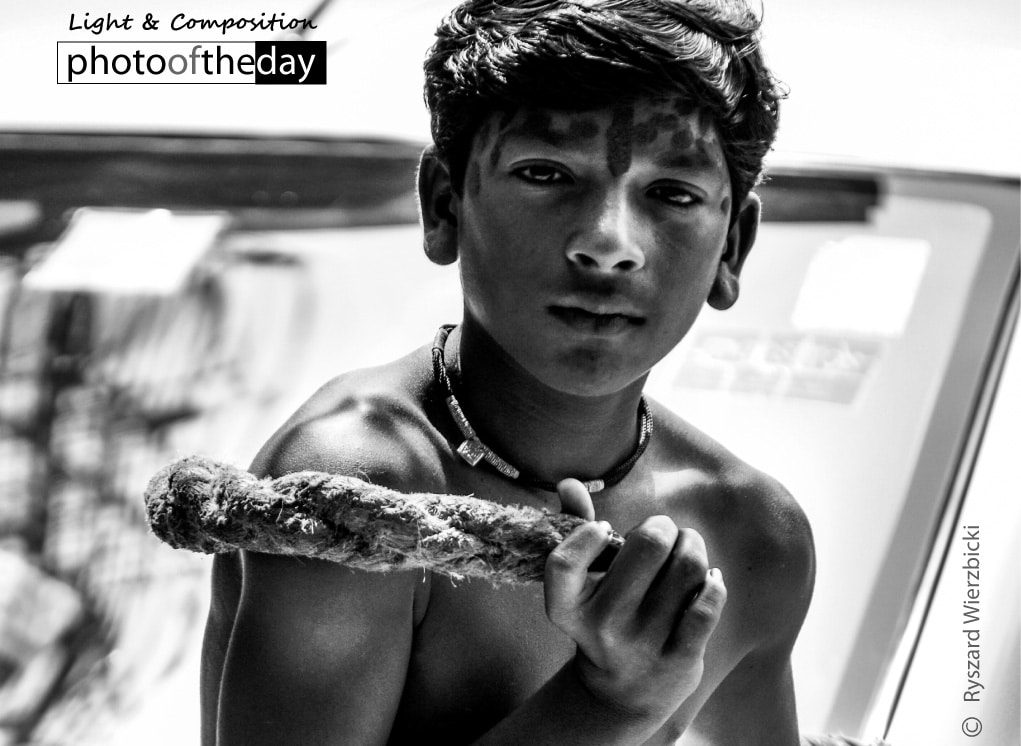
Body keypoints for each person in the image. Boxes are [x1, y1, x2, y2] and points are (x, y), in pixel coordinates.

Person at [201, 1, 815, 743]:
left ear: (731, 248)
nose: (608, 243)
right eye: (546, 173)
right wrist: (608, 702)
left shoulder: (747, 534)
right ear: (443, 205)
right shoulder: (363, 490)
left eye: (672, 193)